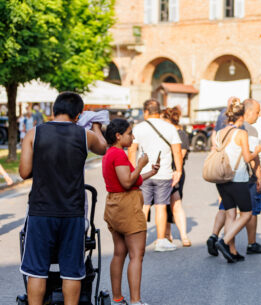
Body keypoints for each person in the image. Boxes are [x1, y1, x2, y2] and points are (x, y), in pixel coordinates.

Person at [18, 92, 107, 305]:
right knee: (71, 271)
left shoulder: (34, 133)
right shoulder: (84, 135)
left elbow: (23, 172)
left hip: (41, 211)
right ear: (78, 116)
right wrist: (95, 125)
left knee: (37, 270)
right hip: (73, 213)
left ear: (53, 110)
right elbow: (103, 147)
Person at [102, 119, 159, 305]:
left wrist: (150, 172)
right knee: (137, 254)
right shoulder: (119, 154)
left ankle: (117, 298)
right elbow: (127, 182)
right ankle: (136, 301)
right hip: (127, 205)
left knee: (119, 252)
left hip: (113, 204)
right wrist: (141, 164)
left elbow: (127, 179)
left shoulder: (109, 153)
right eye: (129, 133)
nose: (133, 137)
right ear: (118, 136)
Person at [207, 99, 261, 258]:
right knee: (247, 214)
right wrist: (257, 151)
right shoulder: (242, 133)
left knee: (230, 214)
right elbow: (248, 158)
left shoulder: (220, 132)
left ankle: (231, 250)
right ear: (242, 115)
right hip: (239, 178)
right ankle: (224, 241)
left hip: (222, 179)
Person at [127, 99, 183, 252]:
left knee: (143, 206)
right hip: (163, 172)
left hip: (143, 173)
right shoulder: (169, 127)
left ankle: (138, 241)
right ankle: (160, 240)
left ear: (146, 112)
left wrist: (133, 170)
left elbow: (132, 150)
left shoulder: (138, 128)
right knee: (160, 206)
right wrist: (178, 170)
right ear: (159, 111)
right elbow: (177, 150)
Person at [161, 107, 191, 247]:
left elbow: (181, 154)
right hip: (166, 171)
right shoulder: (166, 133)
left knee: (176, 203)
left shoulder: (180, 134)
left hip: (175, 172)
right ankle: (167, 234)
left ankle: (183, 235)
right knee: (164, 204)